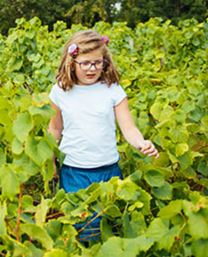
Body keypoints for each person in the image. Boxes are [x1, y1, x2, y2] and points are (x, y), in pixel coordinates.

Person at [48, 30, 159, 241]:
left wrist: (142, 143)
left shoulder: (113, 90)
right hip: (74, 171)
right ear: (72, 61)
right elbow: (55, 129)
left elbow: (128, 128)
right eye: (85, 63)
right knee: (83, 230)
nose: (92, 69)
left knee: (110, 231)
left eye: (98, 63)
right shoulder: (60, 91)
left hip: (109, 170)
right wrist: (49, 161)